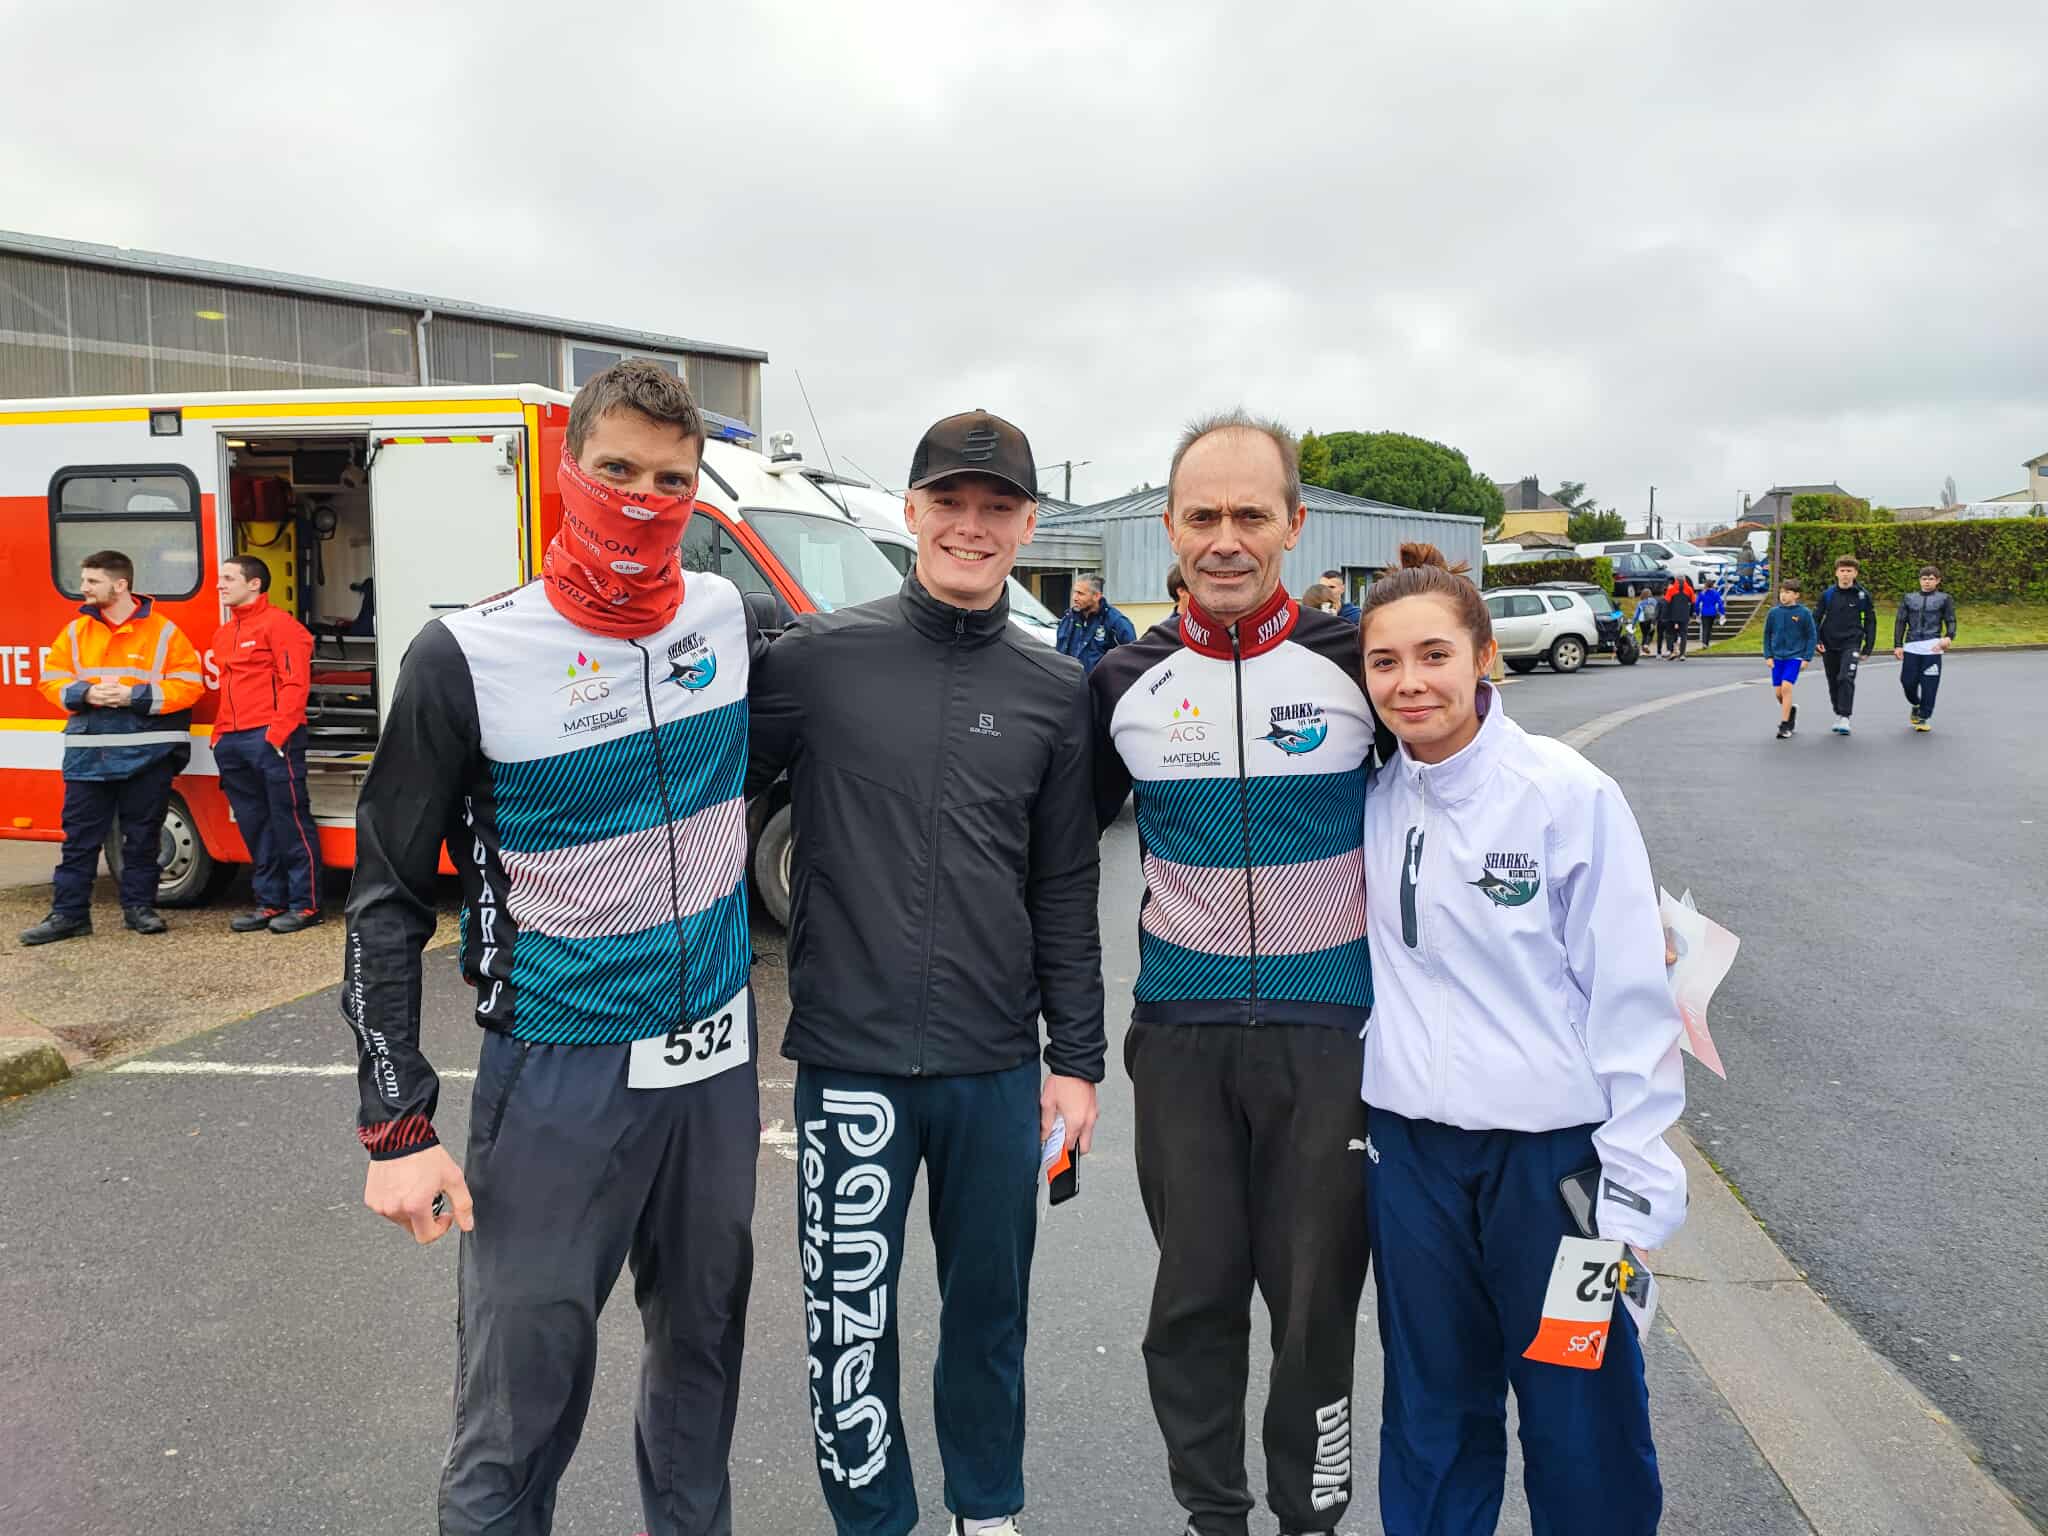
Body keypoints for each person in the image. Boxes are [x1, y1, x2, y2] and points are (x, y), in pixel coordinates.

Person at [341, 360, 759, 1536]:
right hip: (560, 1068)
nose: (641, 500)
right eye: (616, 470)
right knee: (518, 1405)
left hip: (717, 1063)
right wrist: (395, 1125)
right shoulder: (465, 654)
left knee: (701, 1369)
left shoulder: (725, 619)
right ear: (566, 471)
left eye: (670, 481)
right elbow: (383, 899)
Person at [748, 409, 1105, 1536]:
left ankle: (984, 1512)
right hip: (848, 1061)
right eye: (949, 502)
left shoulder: (1055, 688)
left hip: (993, 1067)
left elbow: (1064, 884)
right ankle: (873, 1521)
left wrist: (1075, 1060)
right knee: (847, 1326)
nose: (970, 525)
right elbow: (700, 804)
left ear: (1028, 525)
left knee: (989, 1313)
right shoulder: (815, 660)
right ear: (908, 512)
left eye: (997, 507)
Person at [1092, 410, 1388, 1536]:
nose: (1226, 539)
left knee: (1314, 1312)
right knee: (1193, 1301)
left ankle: (1310, 1516)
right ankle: (1212, 1518)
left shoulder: (1358, 661)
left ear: (1294, 526)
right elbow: (1048, 861)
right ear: (1168, 527)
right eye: (1203, 515)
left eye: (1251, 515)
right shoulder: (1120, 680)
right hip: (1181, 1037)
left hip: (1331, 1037)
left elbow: (1467, 801)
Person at [1354, 542, 1687, 1536]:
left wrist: (1634, 1170)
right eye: (1384, 662)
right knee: (1430, 1406)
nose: (1409, 683)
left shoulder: (1563, 792)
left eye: (1433, 656)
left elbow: (1631, 994)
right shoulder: (1371, 800)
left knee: (1578, 1405)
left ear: (1484, 657)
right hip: (1410, 1156)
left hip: (1551, 1165)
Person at [20, 551, 204, 946]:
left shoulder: (164, 633)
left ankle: (139, 909)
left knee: (143, 838)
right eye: (84, 580)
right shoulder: (75, 632)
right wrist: (86, 693)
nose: (83, 588)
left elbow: (190, 686)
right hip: (90, 756)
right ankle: (69, 915)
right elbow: (50, 681)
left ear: (120, 585)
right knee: (79, 841)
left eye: (92, 581)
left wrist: (132, 696)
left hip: (147, 756)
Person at [210, 555, 321, 933]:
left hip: (271, 738)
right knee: (255, 825)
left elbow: (295, 683)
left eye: (229, 578)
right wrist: (219, 737)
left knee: (290, 821)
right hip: (232, 741)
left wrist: (277, 734)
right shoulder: (225, 633)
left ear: (254, 583)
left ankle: (306, 905)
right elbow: (228, 688)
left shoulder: (281, 626)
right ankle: (270, 902)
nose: (220, 585)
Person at [1813, 554, 1877, 734]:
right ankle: (1838, 711)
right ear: (1836, 573)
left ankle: (1845, 717)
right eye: (1842, 571)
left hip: (1852, 643)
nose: (1845, 574)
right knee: (1833, 680)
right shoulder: (1827, 594)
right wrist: (1817, 641)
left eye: (1849, 571)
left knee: (1845, 677)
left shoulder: (1863, 595)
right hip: (1829, 644)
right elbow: (1815, 619)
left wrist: (1868, 647)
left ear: (1855, 573)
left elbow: (1870, 622)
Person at [1894, 564, 1958, 732]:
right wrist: (1898, 645)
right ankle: (1916, 704)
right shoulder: (1909, 598)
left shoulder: (1944, 599)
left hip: (1932, 647)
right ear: (1919, 580)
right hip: (1912, 646)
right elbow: (1900, 621)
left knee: (1929, 685)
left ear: (1938, 581)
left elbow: (1951, 620)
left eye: (1931, 579)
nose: (1927, 582)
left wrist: (1948, 637)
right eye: (1924, 579)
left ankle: (1923, 717)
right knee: (1907, 682)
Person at [1764, 578, 1817, 740]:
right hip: (1777, 657)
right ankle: (1791, 710)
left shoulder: (1804, 613)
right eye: (1782, 592)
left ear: (1796, 595)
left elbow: (1811, 636)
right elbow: (1767, 635)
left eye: (1787, 592)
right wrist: (1768, 655)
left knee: (1786, 688)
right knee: (1778, 693)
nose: (1783, 595)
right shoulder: (1773, 613)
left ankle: (1785, 725)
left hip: (1795, 656)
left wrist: (1807, 658)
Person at [1055, 572, 1137, 672]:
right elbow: (1060, 654)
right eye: (1074, 592)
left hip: (1102, 681)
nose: (1074, 598)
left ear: (1097, 596)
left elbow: (1133, 659)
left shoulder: (1116, 622)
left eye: (1080, 593)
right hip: (1071, 680)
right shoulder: (1069, 619)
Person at [1660, 574, 1695, 659]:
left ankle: (1671, 651)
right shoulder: (1689, 589)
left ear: (1676, 580)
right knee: (1683, 635)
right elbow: (1693, 602)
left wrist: (1664, 615)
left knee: (1671, 633)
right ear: (1685, 580)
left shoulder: (1671, 589)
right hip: (1684, 616)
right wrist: (1691, 614)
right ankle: (1682, 654)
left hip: (1673, 616)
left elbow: (1666, 603)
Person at [1696, 575, 1726, 650]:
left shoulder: (1702, 593)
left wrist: (1697, 613)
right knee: (1709, 628)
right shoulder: (1715, 593)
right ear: (1712, 585)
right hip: (1712, 612)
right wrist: (1722, 613)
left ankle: (1704, 643)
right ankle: (1707, 643)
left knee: (1705, 628)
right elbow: (1720, 604)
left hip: (1704, 612)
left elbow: (1697, 604)